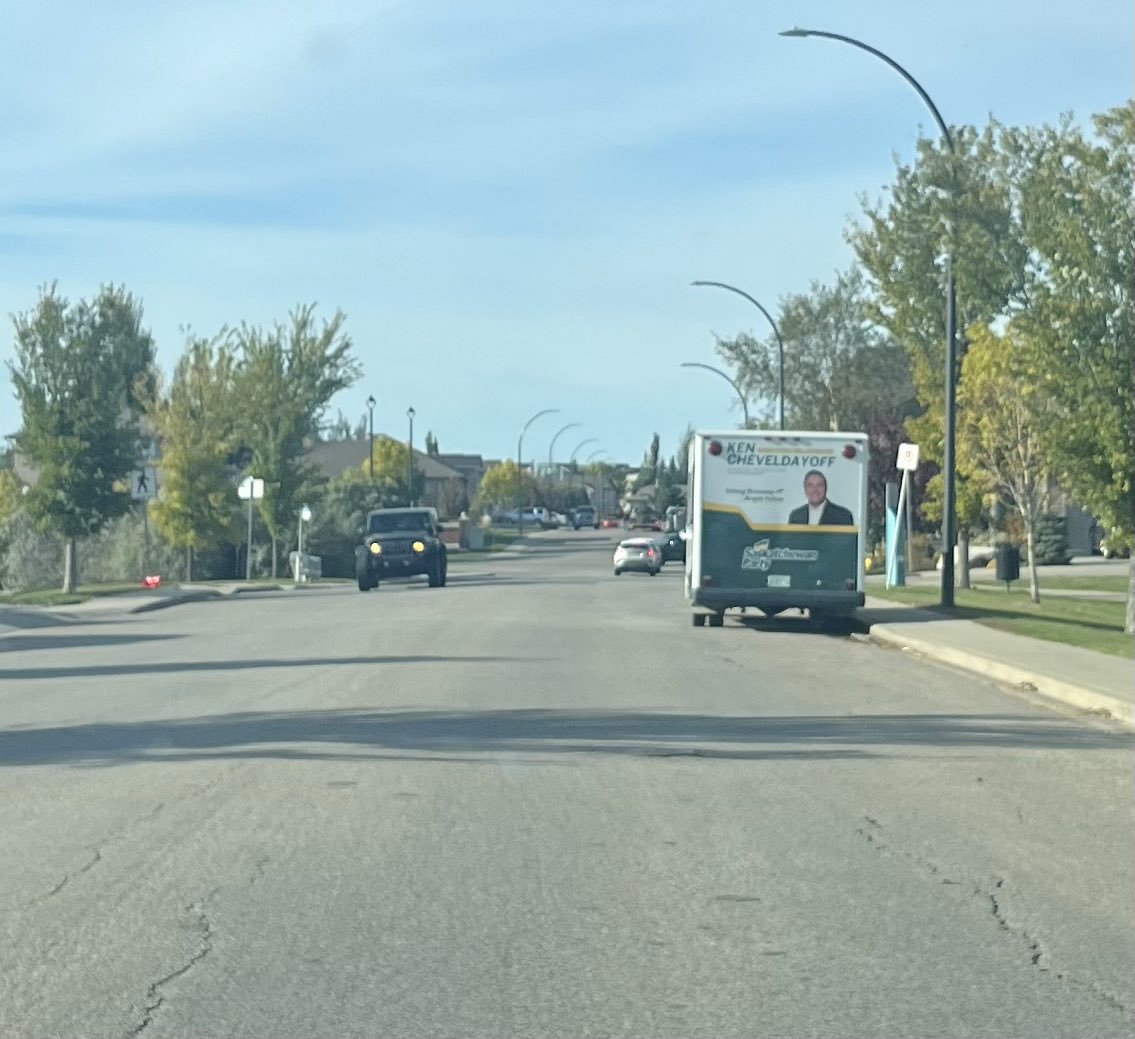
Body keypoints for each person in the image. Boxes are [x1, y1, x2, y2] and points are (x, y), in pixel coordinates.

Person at [787, 470, 854, 526]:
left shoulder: (843, 515)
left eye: (819, 485)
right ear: (805, 489)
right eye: (810, 485)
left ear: (826, 488)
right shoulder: (795, 515)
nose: (815, 490)